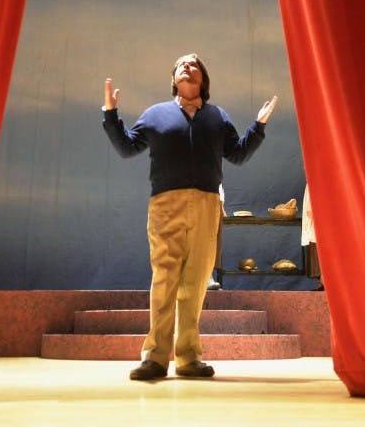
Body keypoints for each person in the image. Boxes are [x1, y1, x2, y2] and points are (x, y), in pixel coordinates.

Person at [102, 53, 277, 380]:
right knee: (165, 278)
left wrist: (259, 126)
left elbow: (237, 154)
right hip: (166, 203)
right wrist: (111, 115)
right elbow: (127, 147)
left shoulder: (216, 117)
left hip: (208, 203)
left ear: (202, 80)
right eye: (182, 64)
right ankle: (155, 357)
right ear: (175, 78)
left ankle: (188, 358)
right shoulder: (156, 114)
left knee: (195, 281)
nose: (187, 66)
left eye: (194, 64)